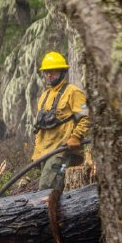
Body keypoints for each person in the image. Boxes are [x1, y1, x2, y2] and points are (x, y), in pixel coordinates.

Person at [31, 51, 90, 191]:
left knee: (46, 189)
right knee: (56, 192)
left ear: (62, 72)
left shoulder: (73, 92)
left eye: (53, 72)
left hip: (62, 152)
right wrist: (36, 154)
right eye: (46, 72)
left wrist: (76, 136)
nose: (49, 75)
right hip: (44, 154)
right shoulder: (44, 96)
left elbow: (87, 115)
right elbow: (40, 129)